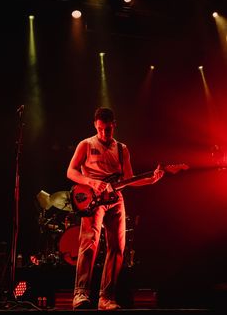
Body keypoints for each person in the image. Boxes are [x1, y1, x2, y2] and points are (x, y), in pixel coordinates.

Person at [66, 107, 164, 310]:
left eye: (108, 129)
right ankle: (81, 294)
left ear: (114, 125)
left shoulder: (122, 149)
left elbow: (128, 180)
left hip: (115, 199)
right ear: (95, 125)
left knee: (117, 248)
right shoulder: (85, 144)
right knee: (89, 244)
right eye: (101, 129)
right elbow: (71, 171)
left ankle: (106, 298)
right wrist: (91, 182)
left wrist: (150, 180)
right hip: (93, 201)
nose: (104, 133)